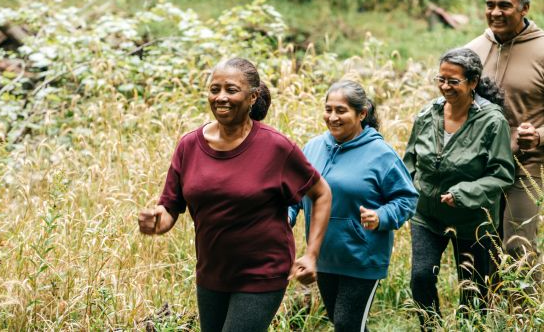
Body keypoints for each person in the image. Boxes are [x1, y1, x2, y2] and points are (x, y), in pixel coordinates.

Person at [137, 57, 332, 332]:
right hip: (211, 273)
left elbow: (321, 193)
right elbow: (170, 206)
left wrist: (312, 254)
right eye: (214, 89)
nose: (220, 97)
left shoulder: (276, 147)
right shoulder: (189, 145)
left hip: (263, 272)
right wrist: (157, 221)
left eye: (231, 90)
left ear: (252, 97)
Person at [288, 80, 418, 331]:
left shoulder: (381, 154)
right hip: (323, 256)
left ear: (362, 114)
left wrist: (381, 216)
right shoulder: (313, 147)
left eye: (341, 110)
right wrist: (287, 215)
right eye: (328, 109)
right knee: (345, 323)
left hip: (362, 258)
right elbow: (295, 192)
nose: (332, 117)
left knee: (347, 324)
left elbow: (407, 199)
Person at [403, 47, 515, 329]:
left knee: (473, 288)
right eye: (440, 79)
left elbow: (502, 173)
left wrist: (464, 193)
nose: (445, 87)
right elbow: (410, 161)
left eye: (453, 81)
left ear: (473, 82)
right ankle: (431, 327)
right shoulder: (427, 114)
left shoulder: (492, 121)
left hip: (473, 220)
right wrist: (407, 195)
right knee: (421, 277)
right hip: (427, 215)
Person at [466, 0, 544, 288]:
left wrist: (538, 135)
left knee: (517, 246)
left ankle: (524, 320)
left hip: (526, 166)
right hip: (478, 166)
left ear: (525, 8)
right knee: (479, 246)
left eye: (504, 5)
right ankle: (485, 316)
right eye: (490, 5)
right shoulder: (472, 50)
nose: (495, 12)